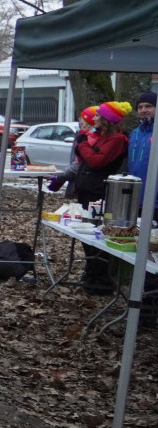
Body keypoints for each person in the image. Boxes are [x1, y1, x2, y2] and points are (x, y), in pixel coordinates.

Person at [73, 101, 131, 294]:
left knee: (97, 236)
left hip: (98, 192)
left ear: (107, 120)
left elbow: (96, 161)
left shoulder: (117, 139)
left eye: (98, 115)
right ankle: (92, 272)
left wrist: (82, 143)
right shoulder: (100, 136)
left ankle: (100, 279)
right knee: (86, 234)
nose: (94, 118)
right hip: (87, 189)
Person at [128, 92, 157, 222]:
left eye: (148, 106)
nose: (144, 110)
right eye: (140, 107)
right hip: (135, 199)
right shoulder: (135, 134)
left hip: (155, 201)